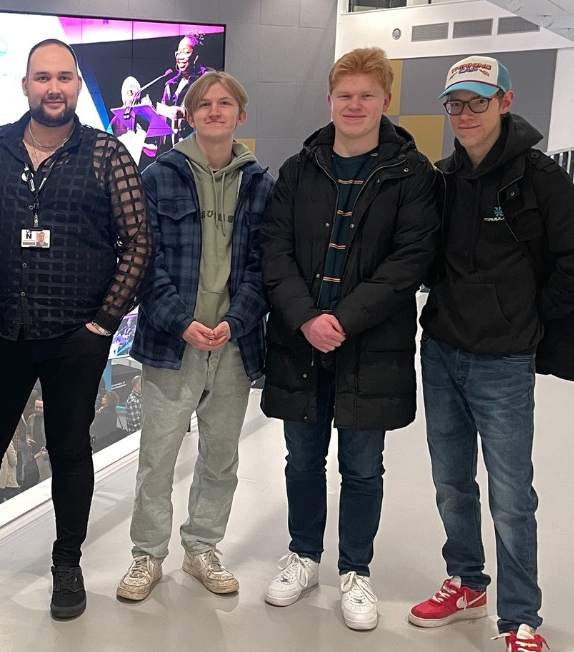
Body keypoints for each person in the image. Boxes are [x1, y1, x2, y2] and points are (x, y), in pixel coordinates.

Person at [0, 37, 152, 620]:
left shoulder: (105, 154)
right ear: (25, 86)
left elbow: (139, 241)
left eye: (65, 77)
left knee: (69, 452)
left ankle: (67, 563)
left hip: (75, 338)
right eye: (43, 77)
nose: (55, 88)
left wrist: (102, 323)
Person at [259, 46, 439, 630]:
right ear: (330, 100)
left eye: (367, 95)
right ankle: (303, 556)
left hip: (370, 346)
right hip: (301, 341)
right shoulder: (298, 168)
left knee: (363, 467)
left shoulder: (413, 175)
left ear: (386, 100)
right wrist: (307, 318)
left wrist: (343, 320)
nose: (355, 105)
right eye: (345, 95)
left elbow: (409, 260)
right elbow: (275, 252)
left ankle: (355, 570)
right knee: (302, 460)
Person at [409, 56, 574, 652]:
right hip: (443, 351)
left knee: (510, 493)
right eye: (455, 103)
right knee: (452, 482)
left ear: (505, 102)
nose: (465, 114)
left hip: (503, 361)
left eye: (478, 101)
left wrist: (528, 318)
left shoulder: (542, 178)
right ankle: (467, 583)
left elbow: (570, 263)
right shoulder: (443, 178)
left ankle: (520, 618)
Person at [117, 71, 274, 603]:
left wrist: (237, 320)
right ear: (188, 114)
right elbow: (144, 262)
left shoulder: (259, 183)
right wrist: (181, 320)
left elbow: (262, 266)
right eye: (203, 104)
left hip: (232, 345)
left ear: (240, 113)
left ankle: (202, 546)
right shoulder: (158, 177)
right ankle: (147, 555)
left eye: (224, 103)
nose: (213, 111)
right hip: (172, 343)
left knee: (220, 458)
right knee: (157, 456)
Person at [157, 33, 209, 147]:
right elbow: (162, 119)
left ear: (196, 56)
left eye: (186, 52)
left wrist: (184, 113)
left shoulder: (206, 81)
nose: (180, 57)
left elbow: (210, 112)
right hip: (171, 150)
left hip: (196, 148)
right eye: (178, 53)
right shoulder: (170, 85)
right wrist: (150, 112)